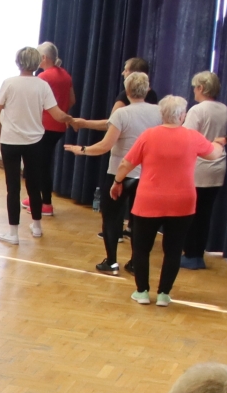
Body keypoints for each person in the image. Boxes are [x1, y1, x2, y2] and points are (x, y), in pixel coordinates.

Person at [112, 96, 222, 303]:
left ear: (162, 114)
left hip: (149, 201)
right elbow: (214, 154)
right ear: (182, 116)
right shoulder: (192, 136)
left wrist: (117, 182)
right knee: (173, 250)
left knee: (141, 248)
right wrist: (219, 143)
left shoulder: (149, 135)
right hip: (182, 202)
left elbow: (126, 164)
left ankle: (142, 292)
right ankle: (164, 294)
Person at [63, 70, 158, 274]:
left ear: (127, 90)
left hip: (119, 173)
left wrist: (83, 150)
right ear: (147, 90)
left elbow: (105, 145)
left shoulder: (122, 114)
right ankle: (136, 262)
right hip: (147, 174)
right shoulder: (159, 113)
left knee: (112, 217)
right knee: (140, 221)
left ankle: (112, 262)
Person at [0, 47, 70, 244]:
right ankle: (37, 226)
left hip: (10, 141)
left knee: (13, 187)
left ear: (18, 62)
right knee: (34, 185)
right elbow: (57, 114)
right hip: (35, 142)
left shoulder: (9, 83)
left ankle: (13, 233)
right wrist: (73, 121)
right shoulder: (42, 85)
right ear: (36, 63)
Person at [179, 72, 227, 271]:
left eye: (195, 87)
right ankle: (197, 254)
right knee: (205, 214)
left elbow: (186, 138)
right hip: (218, 166)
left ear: (201, 88)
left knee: (191, 214)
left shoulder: (197, 110)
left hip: (198, 168)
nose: (193, 91)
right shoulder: (223, 108)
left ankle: (190, 254)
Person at [31, 42, 74, 220]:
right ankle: (37, 198)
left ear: (43, 58)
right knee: (44, 162)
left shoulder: (43, 77)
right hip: (59, 127)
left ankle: (46, 203)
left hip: (45, 127)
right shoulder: (66, 75)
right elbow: (72, 100)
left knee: (41, 165)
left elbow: (34, 101)